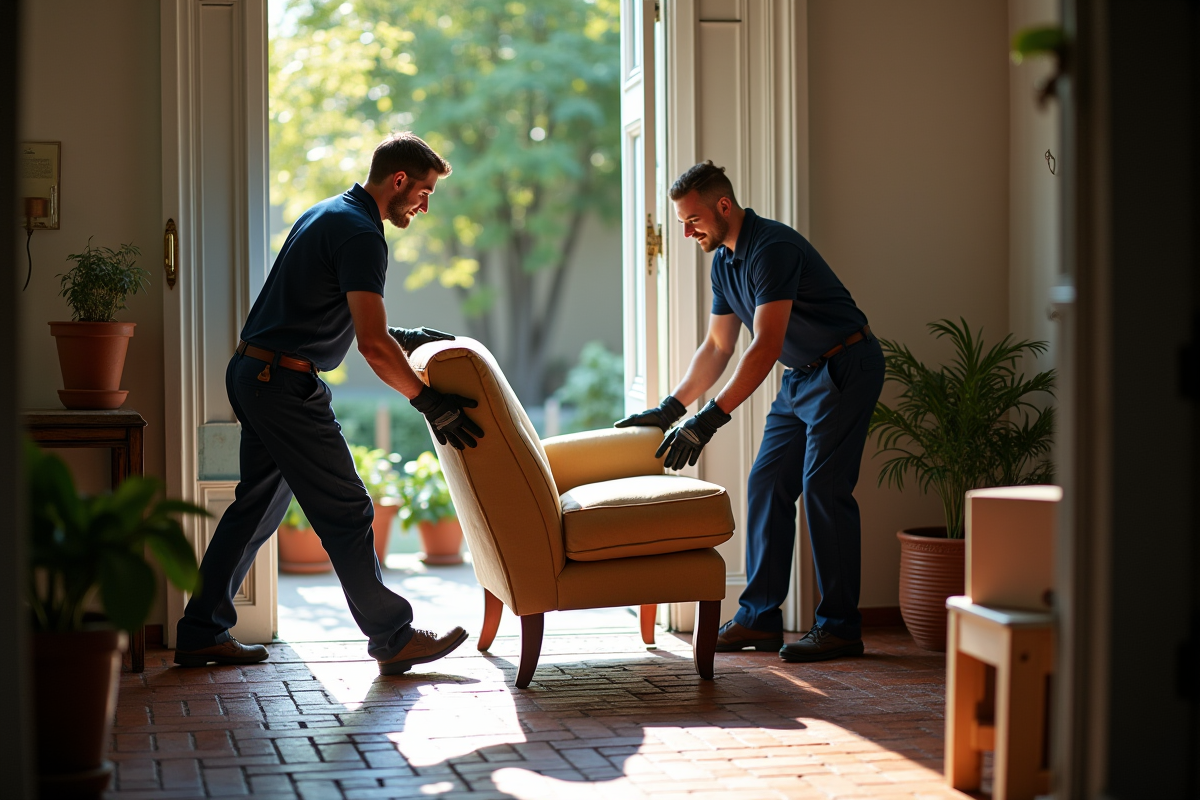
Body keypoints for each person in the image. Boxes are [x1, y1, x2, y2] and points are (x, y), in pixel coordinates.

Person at [174, 133, 483, 676]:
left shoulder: (329, 212)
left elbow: (316, 302)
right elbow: (370, 344)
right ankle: (392, 636)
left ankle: (201, 631)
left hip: (255, 370)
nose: (424, 205)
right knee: (348, 508)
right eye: (424, 192)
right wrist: (429, 401)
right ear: (399, 180)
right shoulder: (364, 234)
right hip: (282, 383)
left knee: (255, 509)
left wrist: (402, 334)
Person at [617, 161, 884, 662]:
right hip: (802, 376)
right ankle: (760, 619)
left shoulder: (773, 248)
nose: (685, 229)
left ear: (723, 206)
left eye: (692, 218)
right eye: (680, 221)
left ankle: (842, 626)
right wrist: (670, 410)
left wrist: (710, 419)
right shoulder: (724, 262)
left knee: (824, 489)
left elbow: (764, 345)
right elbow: (718, 346)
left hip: (847, 366)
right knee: (768, 483)